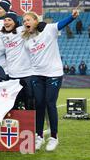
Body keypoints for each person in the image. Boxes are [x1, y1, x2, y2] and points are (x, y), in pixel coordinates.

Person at [22, 8, 79, 152]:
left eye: (28, 19)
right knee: (39, 104)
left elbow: (62, 24)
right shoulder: (27, 40)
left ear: (36, 21)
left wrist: (72, 17)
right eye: (24, 21)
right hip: (36, 74)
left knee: (49, 103)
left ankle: (54, 137)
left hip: (53, 73)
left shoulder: (49, 30)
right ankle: (39, 136)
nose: (25, 22)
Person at [0, 11, 34, 109]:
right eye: (5, 20)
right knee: (13, 103)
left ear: (15, 22)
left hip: (27, 74)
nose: (6, 22)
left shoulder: (21, 30)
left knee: (30, 102)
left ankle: (31, 124)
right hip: (12, 75)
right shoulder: (1, 35)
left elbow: (33, 25)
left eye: (9, 20)